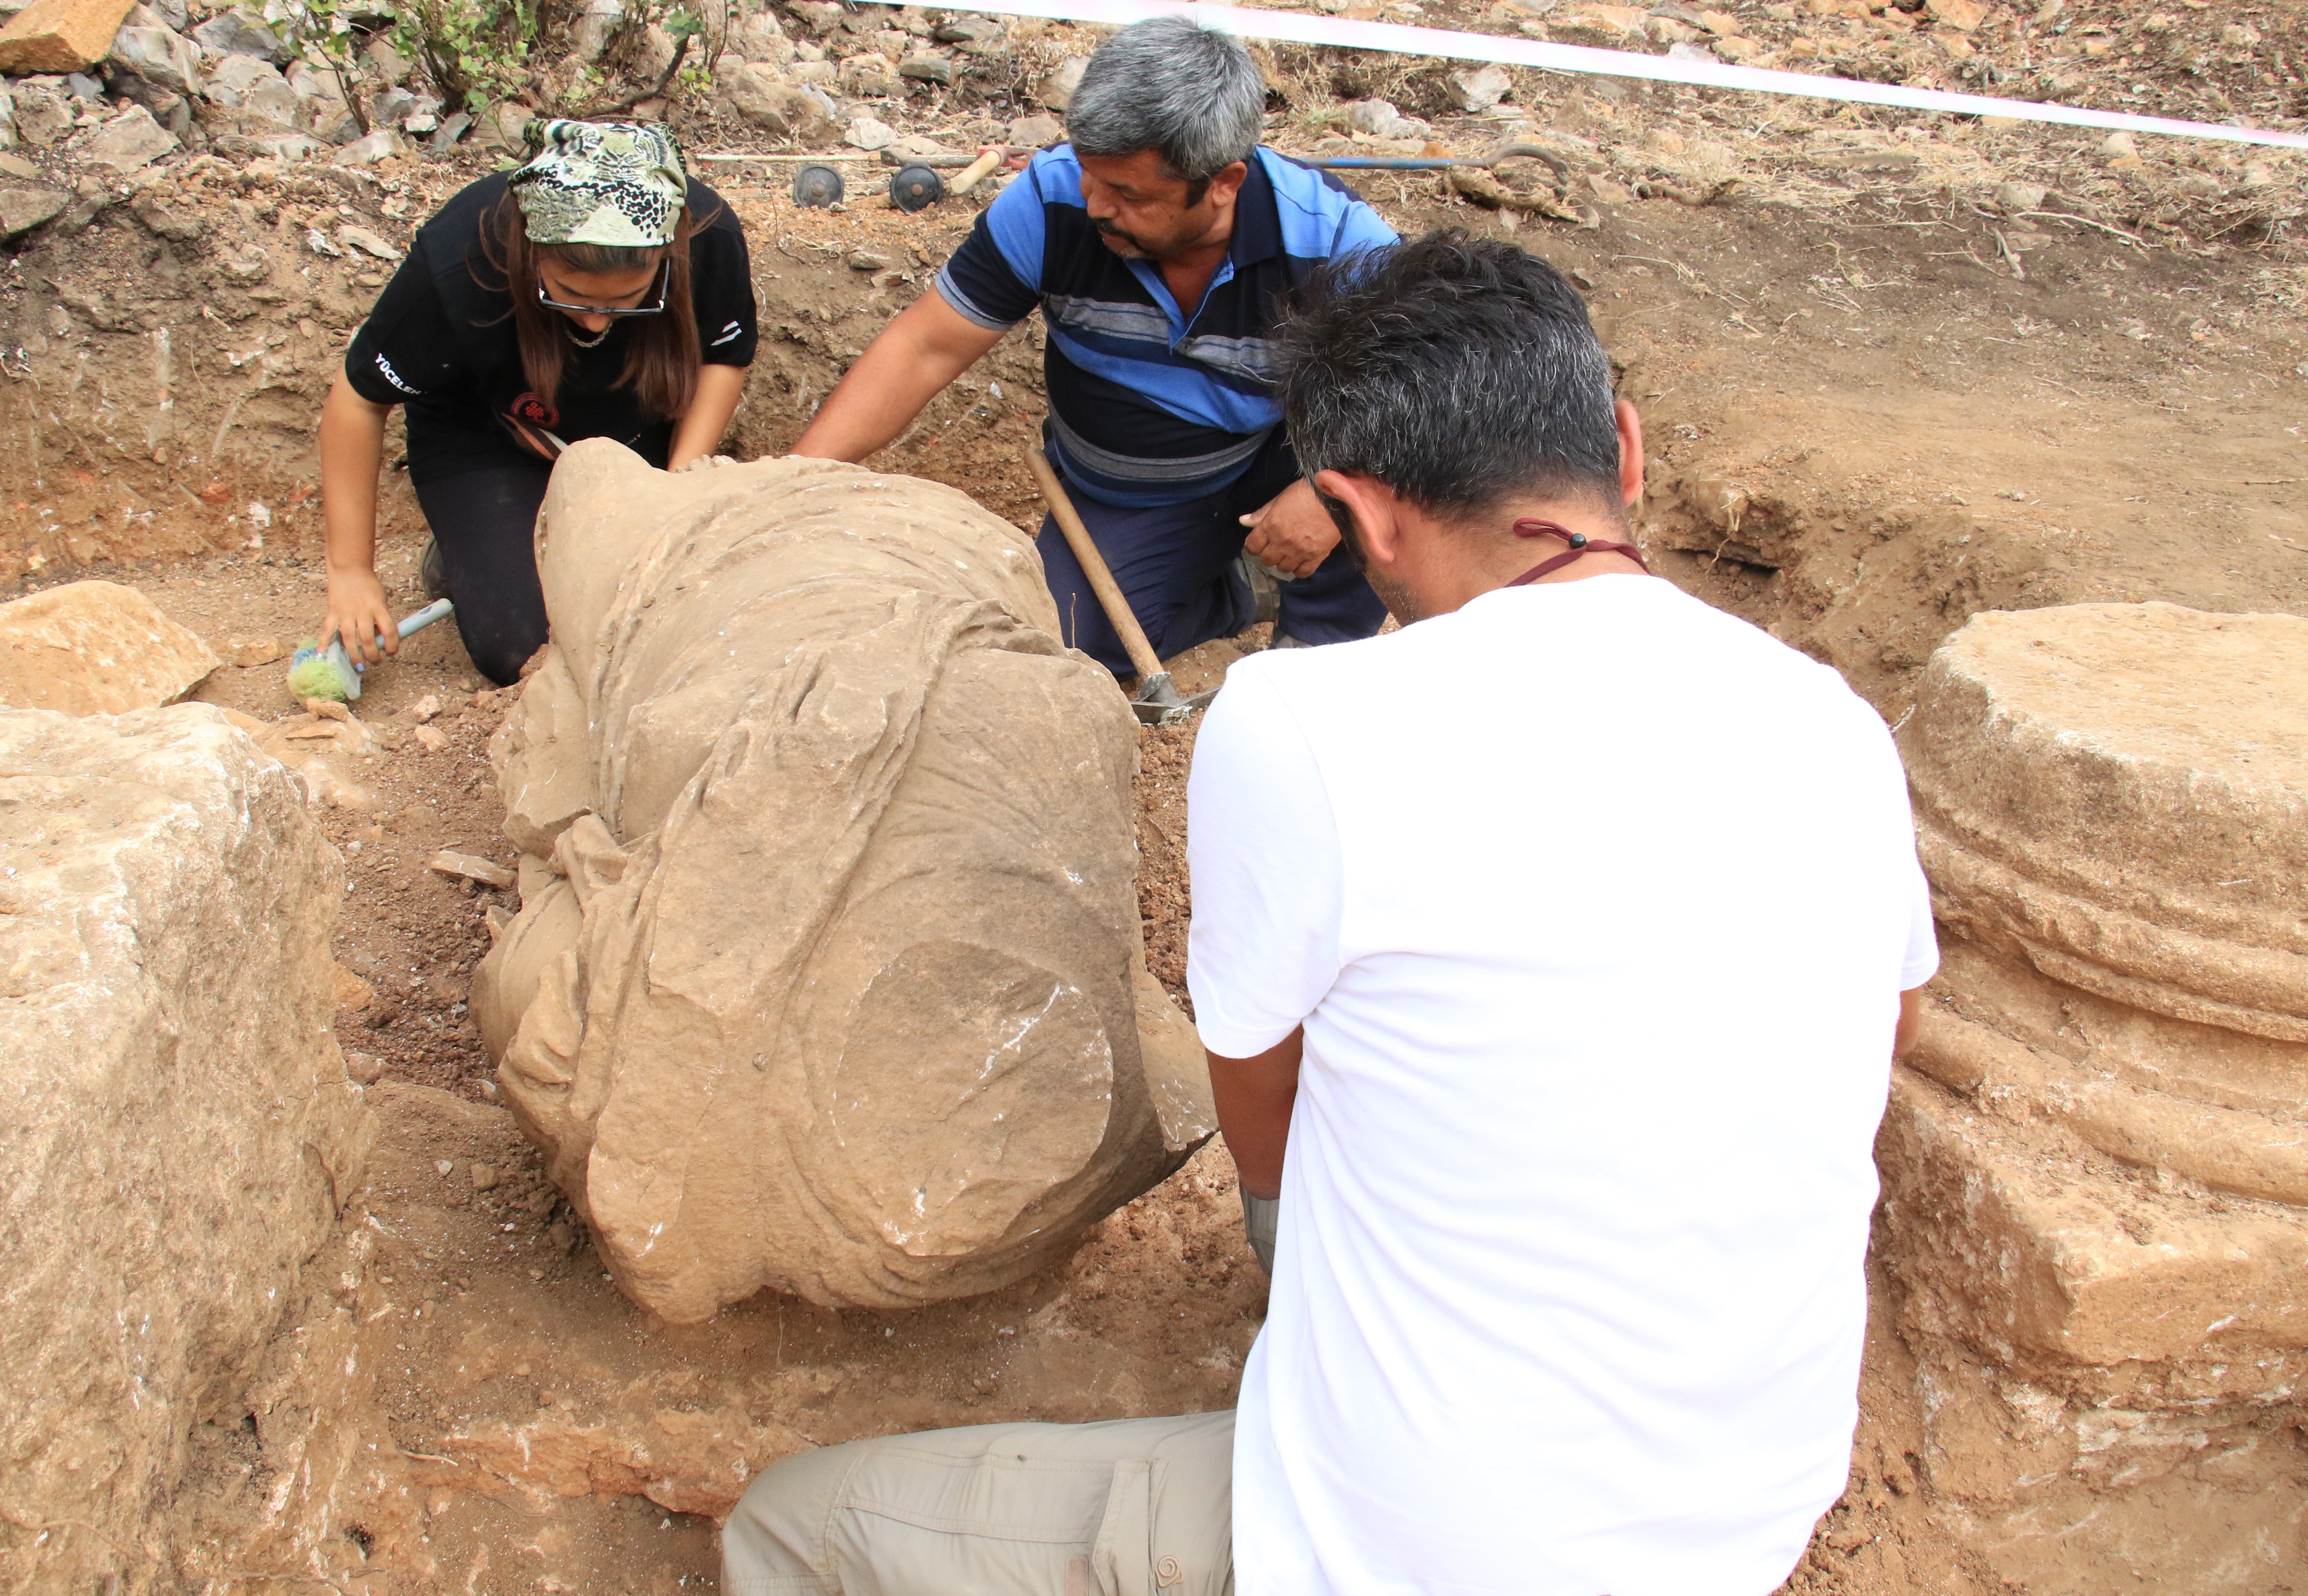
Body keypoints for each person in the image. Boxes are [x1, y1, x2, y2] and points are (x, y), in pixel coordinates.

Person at [718, 235, 1937, 1596]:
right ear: (1627, 451)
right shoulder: (1833, 725)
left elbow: (1264, 1098)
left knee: (788, 1521)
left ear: (1357, 511)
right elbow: (1867, 1040)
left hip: (1442, 1549)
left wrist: (1305, 1251)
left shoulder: (1305, 724)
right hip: (1745, 1511)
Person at [791, 16, 1397, 675]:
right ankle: (1234, 587)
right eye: (1089, 175)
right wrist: (787, 483)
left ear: (1223, 182)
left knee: (1389, 485)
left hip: (1276, 450)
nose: (1095, 205)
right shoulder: (1051, 202)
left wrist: (1335, 495)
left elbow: (1421, 387)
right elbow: (924, 348)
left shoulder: (1332, 236)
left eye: (1128, 194)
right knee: (1072, 641)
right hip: (1133, 487)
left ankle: (1320, 648)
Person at [318, 119, 758, 685]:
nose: (598, 319)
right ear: (530, 251)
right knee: (527, 651)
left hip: (635, 433)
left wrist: (673, 490)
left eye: (628, 300)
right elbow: (358, 401)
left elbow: (723, 358)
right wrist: (350, 571)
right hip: (489, 437)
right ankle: (464, 549)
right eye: (571, 296)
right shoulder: (463, 257)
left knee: (670, 611)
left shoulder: (708, 237)